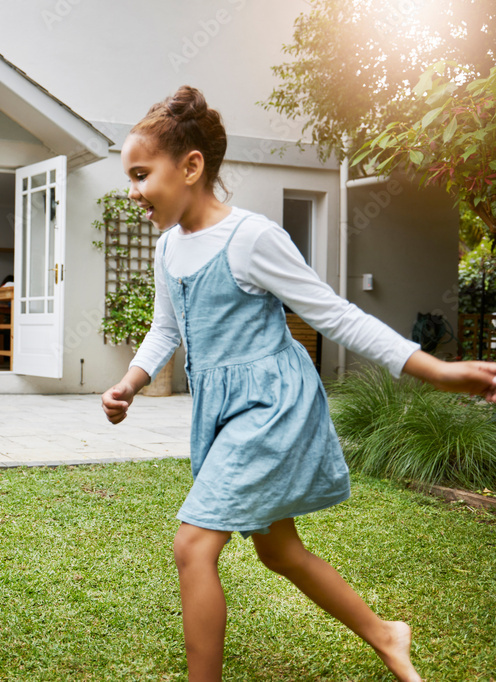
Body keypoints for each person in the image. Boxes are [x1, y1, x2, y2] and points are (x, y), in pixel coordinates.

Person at [100, 86, 496, 682]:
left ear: (190, 166)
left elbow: (334, 314)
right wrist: (130, 383)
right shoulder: (167, 249)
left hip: (270, 405)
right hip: (222, 410)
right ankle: (387, 634)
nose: (132, 190)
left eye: (140, 173)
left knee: (193, 546)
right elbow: (165, 329)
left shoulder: (252, 237)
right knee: (278, 549)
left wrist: (434, 369)